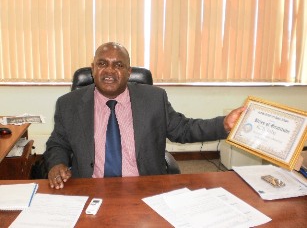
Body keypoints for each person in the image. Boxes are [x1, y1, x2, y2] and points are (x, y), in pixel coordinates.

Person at [44, 42, 245, 189]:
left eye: (119, 65)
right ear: (93, 69)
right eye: (103, 63)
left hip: (144, 186)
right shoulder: (68, 104)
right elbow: (57, 143)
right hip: (91, 186)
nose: (110, 71)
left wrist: (224, 125)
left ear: (129, 72)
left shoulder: (153, 98)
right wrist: (57, 163)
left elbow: (184, 130)